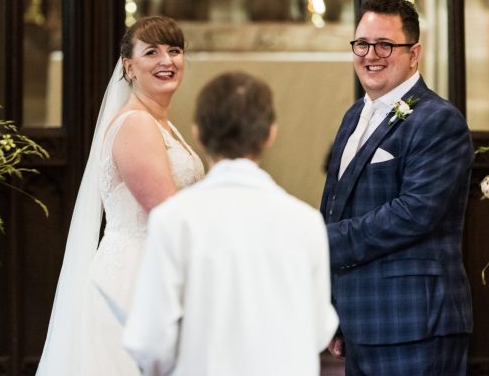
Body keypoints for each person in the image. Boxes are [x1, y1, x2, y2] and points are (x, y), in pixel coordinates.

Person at [122, 72, 338, 376]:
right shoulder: (306, 222)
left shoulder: (174, 220)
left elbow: (149, 340)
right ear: (270, 134)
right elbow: (319, 329)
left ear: (197, 132)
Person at [36, 16, 205, 376]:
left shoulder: (162, 123)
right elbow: (168, 213)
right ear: (129, 67)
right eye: (152, 52)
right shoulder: (137, 125)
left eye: (175, 51)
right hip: (137, 274)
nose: (167, 61)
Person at [320, 0, 473, 376]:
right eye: (362, 44)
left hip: (414, 321)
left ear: (414, 53)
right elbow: (336, 204)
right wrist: (335, 307)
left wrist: (321, 239)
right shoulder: (355, 114)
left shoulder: (439, 120)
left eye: (386, 44)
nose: (372, 54)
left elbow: (414, 214)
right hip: (363, 320)